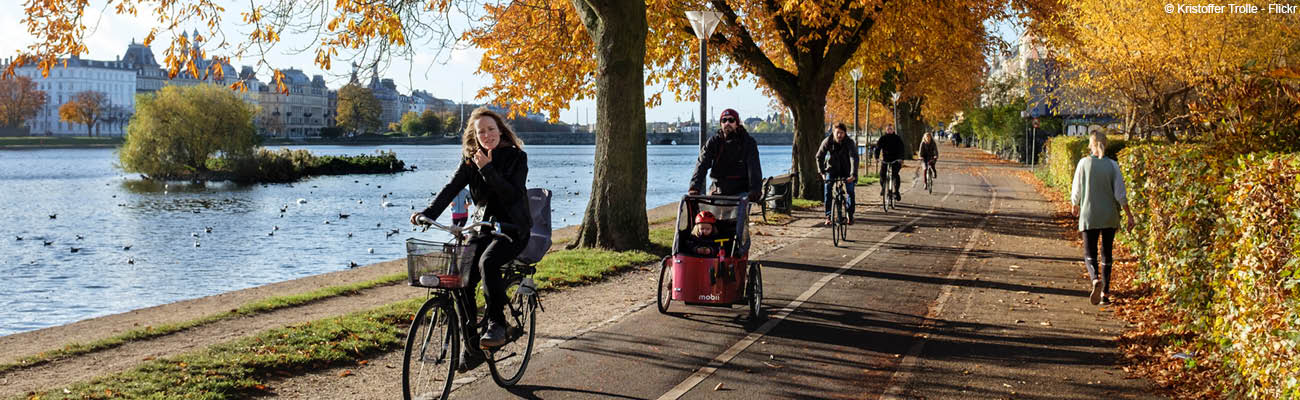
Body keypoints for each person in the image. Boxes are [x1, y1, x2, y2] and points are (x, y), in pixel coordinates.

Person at [409, 107, 532, 363]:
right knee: (461, 278)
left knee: (488, 262)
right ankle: (473, 347)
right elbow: (450, 188)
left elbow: (511, 195)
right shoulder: (470, 160)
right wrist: (428, 213)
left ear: (500, 131)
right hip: (482, 227)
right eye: (481, 132)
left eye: (490, 129)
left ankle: (498, 324)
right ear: (474, 136)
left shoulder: (517, 158)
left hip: (512, 229)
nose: (486, 135)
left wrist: (488, 169)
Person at [1070, 131, 1135, 306]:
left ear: (1091, 145)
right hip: (1109, 215)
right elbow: (1120, 193)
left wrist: (1075, 204)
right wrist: (1129, 214)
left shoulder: (1083, 163)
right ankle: (1105, 294)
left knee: (1089, 252)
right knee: (1107, 253)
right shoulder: (1113, 165)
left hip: (1089, 214)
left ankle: (1095, 280)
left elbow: (1077, 189)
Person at [689, 108, 763, 204]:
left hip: (740, 192)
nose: (727, 123)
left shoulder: (748, 142)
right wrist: (694, 187)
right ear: (721, 124)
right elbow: (702, 164)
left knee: (737, 217)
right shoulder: (714, 142)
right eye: (724, 120)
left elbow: (754, 167)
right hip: (717, 190)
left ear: (737, 123)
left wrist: (755, 190)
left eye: (731, 120)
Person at [816, 123, 859, 225]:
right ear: (833, 132)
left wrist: (853, 175)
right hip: (832, 169)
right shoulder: (828, 141)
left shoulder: (849, 142)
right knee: (827, 189)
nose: (839, 135)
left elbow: (854, 157)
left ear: (845, 133)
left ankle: (850, 214)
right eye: (837, 133)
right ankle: (828, 216)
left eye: (842, 133)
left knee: (850, 190)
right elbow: (819, 156)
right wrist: (822, 172)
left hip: (846, 169)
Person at [874, 126, 906, 202]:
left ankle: (897, 191)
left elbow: (902, 149)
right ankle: (883, 188)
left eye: (890, 129)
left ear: (893, 130)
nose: (889, 130)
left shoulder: (897, 138)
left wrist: (901, 158)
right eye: (888, 129)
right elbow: (878, 148)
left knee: (895, 175)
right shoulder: (883, 138)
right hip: (886, 159)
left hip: (896, 160)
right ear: (886, 130)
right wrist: (877, 157)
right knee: (882, 174)